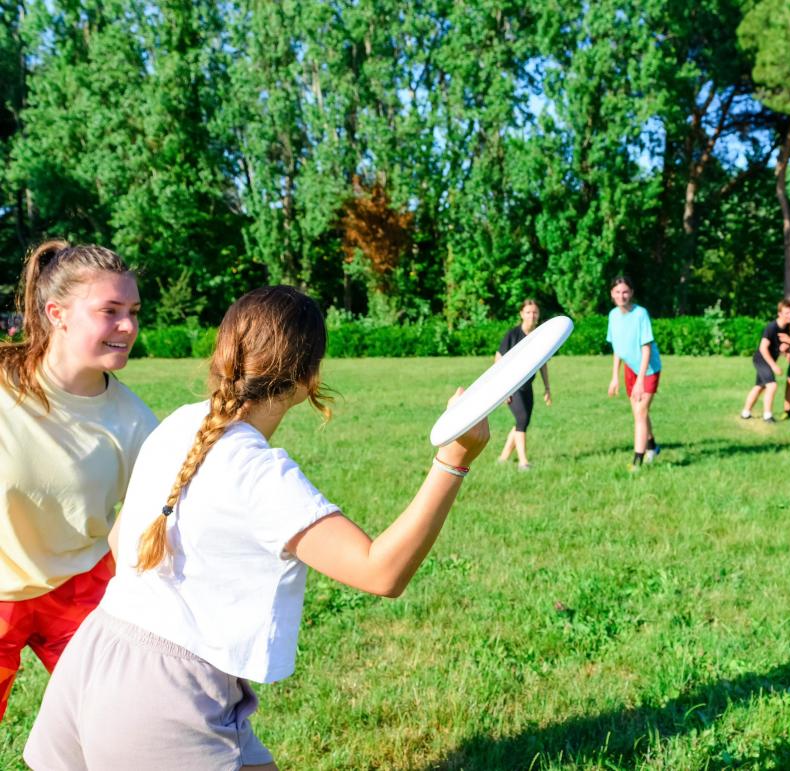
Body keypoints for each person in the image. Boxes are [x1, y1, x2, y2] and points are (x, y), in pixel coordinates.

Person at [25, 285, 489, 769]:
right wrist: (452, 461)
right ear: (309, 377)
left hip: (97, 651)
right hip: (165, 697)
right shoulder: (260, 474)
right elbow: (381, 572)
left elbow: (123, 540)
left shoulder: (180, 423)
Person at [0, 240, 156, 722]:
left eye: (132, 311)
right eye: (110, 311)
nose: (127, 326)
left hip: (79, 585)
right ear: (58, 313)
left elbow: (155, 526)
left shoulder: (136, 424)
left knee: (117, 721)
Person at [606, 276, 661, 470]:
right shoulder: (613, 315)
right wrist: (614, 377)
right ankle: (653, 446)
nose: (622, 296)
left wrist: (640, 380)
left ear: (631, 293)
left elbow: (646, 348)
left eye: (625, 292)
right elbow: (618, 349)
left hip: (648, 369)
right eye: (618, 292)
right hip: (630, 368)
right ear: (612, 294)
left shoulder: (640, 314)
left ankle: (637, 462)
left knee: (640, 413)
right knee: (639, 413)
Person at [496, 299, 552, 470]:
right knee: (521, 419)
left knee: (523, 422)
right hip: (512, 387)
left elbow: (543, 363)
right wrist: (503, 389)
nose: (531, 316)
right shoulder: (512, 335)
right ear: (521, 314)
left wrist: (547, 388)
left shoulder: (540, 336)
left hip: (528, 386)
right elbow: (498, 359)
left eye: (534, 312)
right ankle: (523, 461)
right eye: (528, 312)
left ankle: (503, 457)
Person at [741, 300, 790, 423]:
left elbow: (783, 345)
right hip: (761, 359)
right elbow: (763, 348)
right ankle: (767, 416)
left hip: (767, 360)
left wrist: (786, 352)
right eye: (787, 313)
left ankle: (745, 413)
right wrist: (774, 366)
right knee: (772, 385)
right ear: (779, 314)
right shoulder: (771, 327)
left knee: (760, 386)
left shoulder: (786, 328)